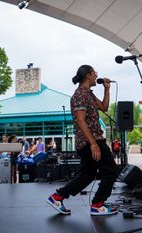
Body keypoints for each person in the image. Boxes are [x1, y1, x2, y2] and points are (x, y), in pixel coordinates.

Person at [46, 65, 118, 216]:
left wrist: (106, 89)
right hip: (91, 141)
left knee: (88, 174)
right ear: (88, 76)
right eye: (94, 73)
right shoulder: (80, 95)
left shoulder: (88, 94)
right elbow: (80, 120)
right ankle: (98, 205)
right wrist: (93, 144)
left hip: (89, 141)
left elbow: (104, 107)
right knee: (111, 170)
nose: (97, 75)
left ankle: (58, 197)